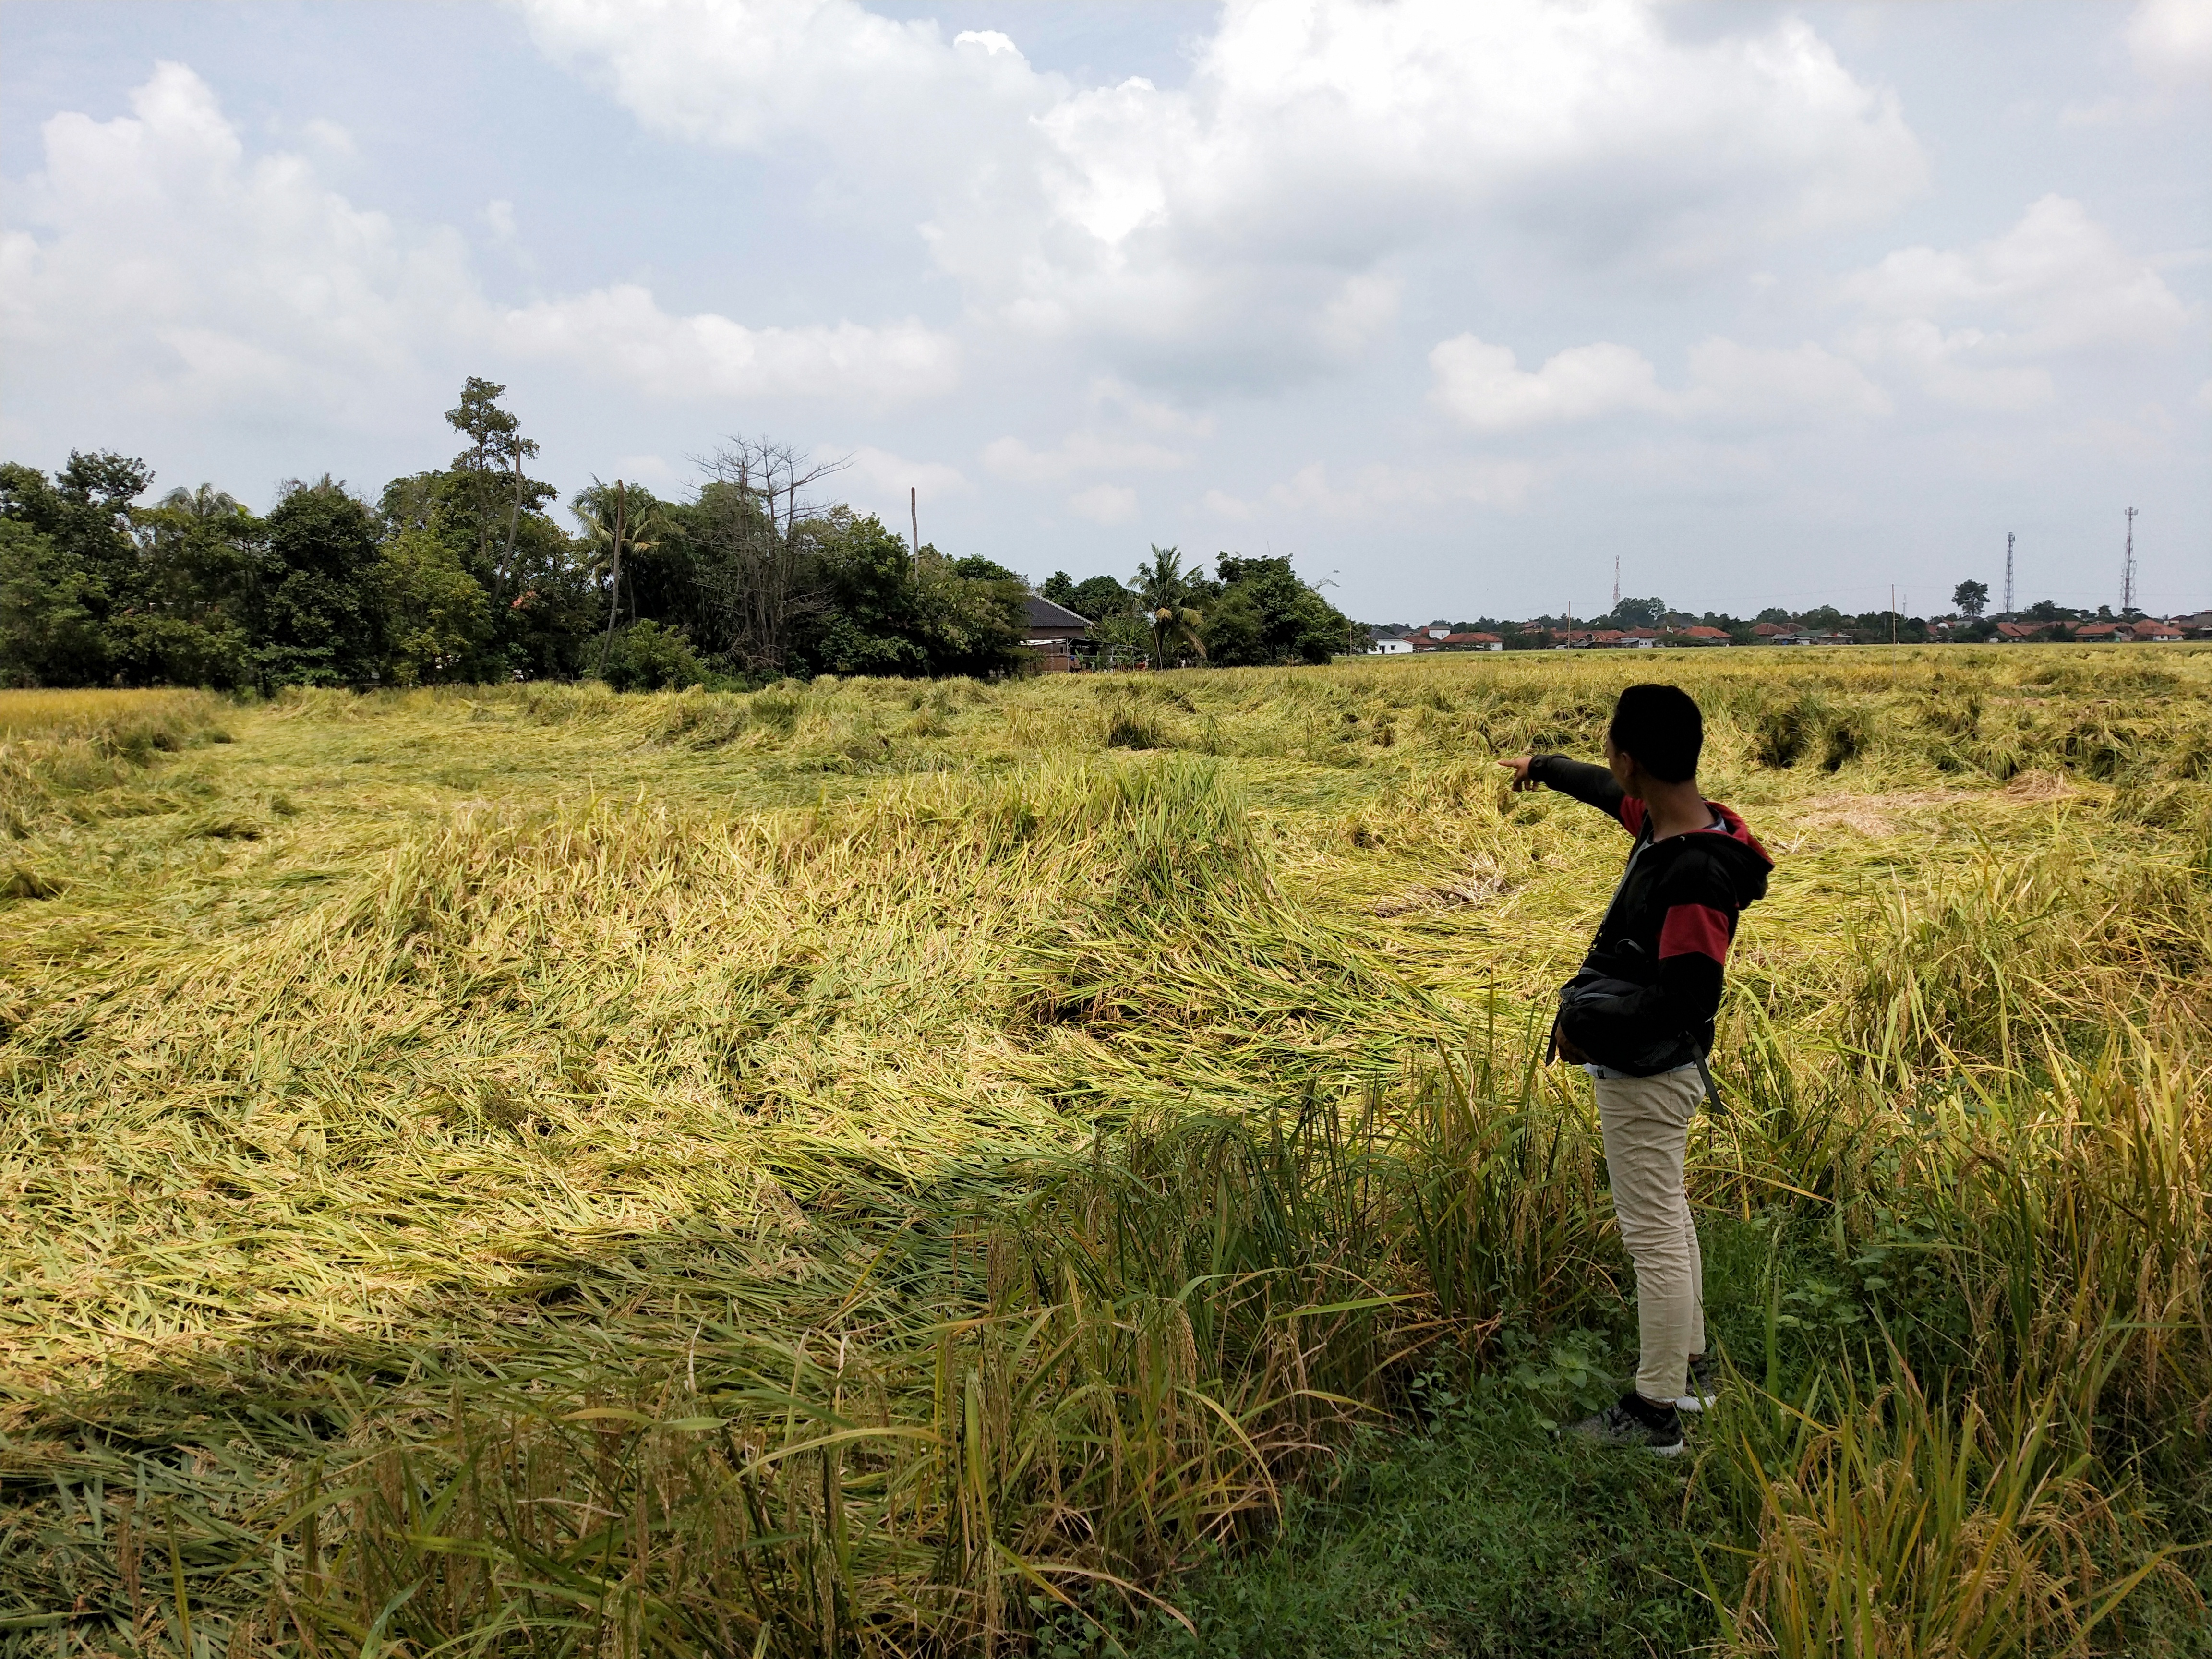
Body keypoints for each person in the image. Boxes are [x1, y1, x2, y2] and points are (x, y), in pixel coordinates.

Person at [1499, 684, 1771, 1456]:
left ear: (1633, 760)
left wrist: (1582, 1023)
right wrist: (1545, 767)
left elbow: (1688, 997)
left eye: (1609, 747)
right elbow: (1597, 790)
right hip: (1658, 1069)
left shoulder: (1694, 874)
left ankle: (1654, 1414)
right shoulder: (1669, 819)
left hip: (1650, 1075)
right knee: (1670, 1215)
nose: (1605, 761)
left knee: (1650, 1233)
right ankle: (1691, 1370)